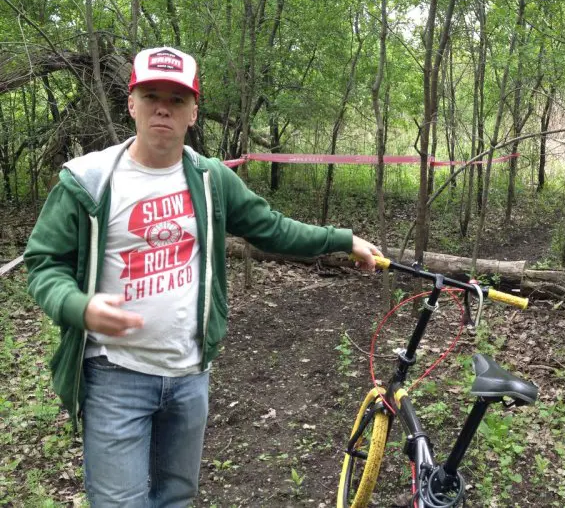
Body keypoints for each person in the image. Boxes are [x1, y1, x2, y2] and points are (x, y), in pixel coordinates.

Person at [23, 46, 382, 507]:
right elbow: (44, 263)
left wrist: (341, 239)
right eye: (151, 95)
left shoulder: (210, 179)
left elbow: (271, 228)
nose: (163, 108)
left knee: (176, 497)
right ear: (131, 103)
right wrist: (80, 307)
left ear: (193, 112)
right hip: (115, 375)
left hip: (190, 374)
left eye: (177, 99)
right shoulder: (89, 181)